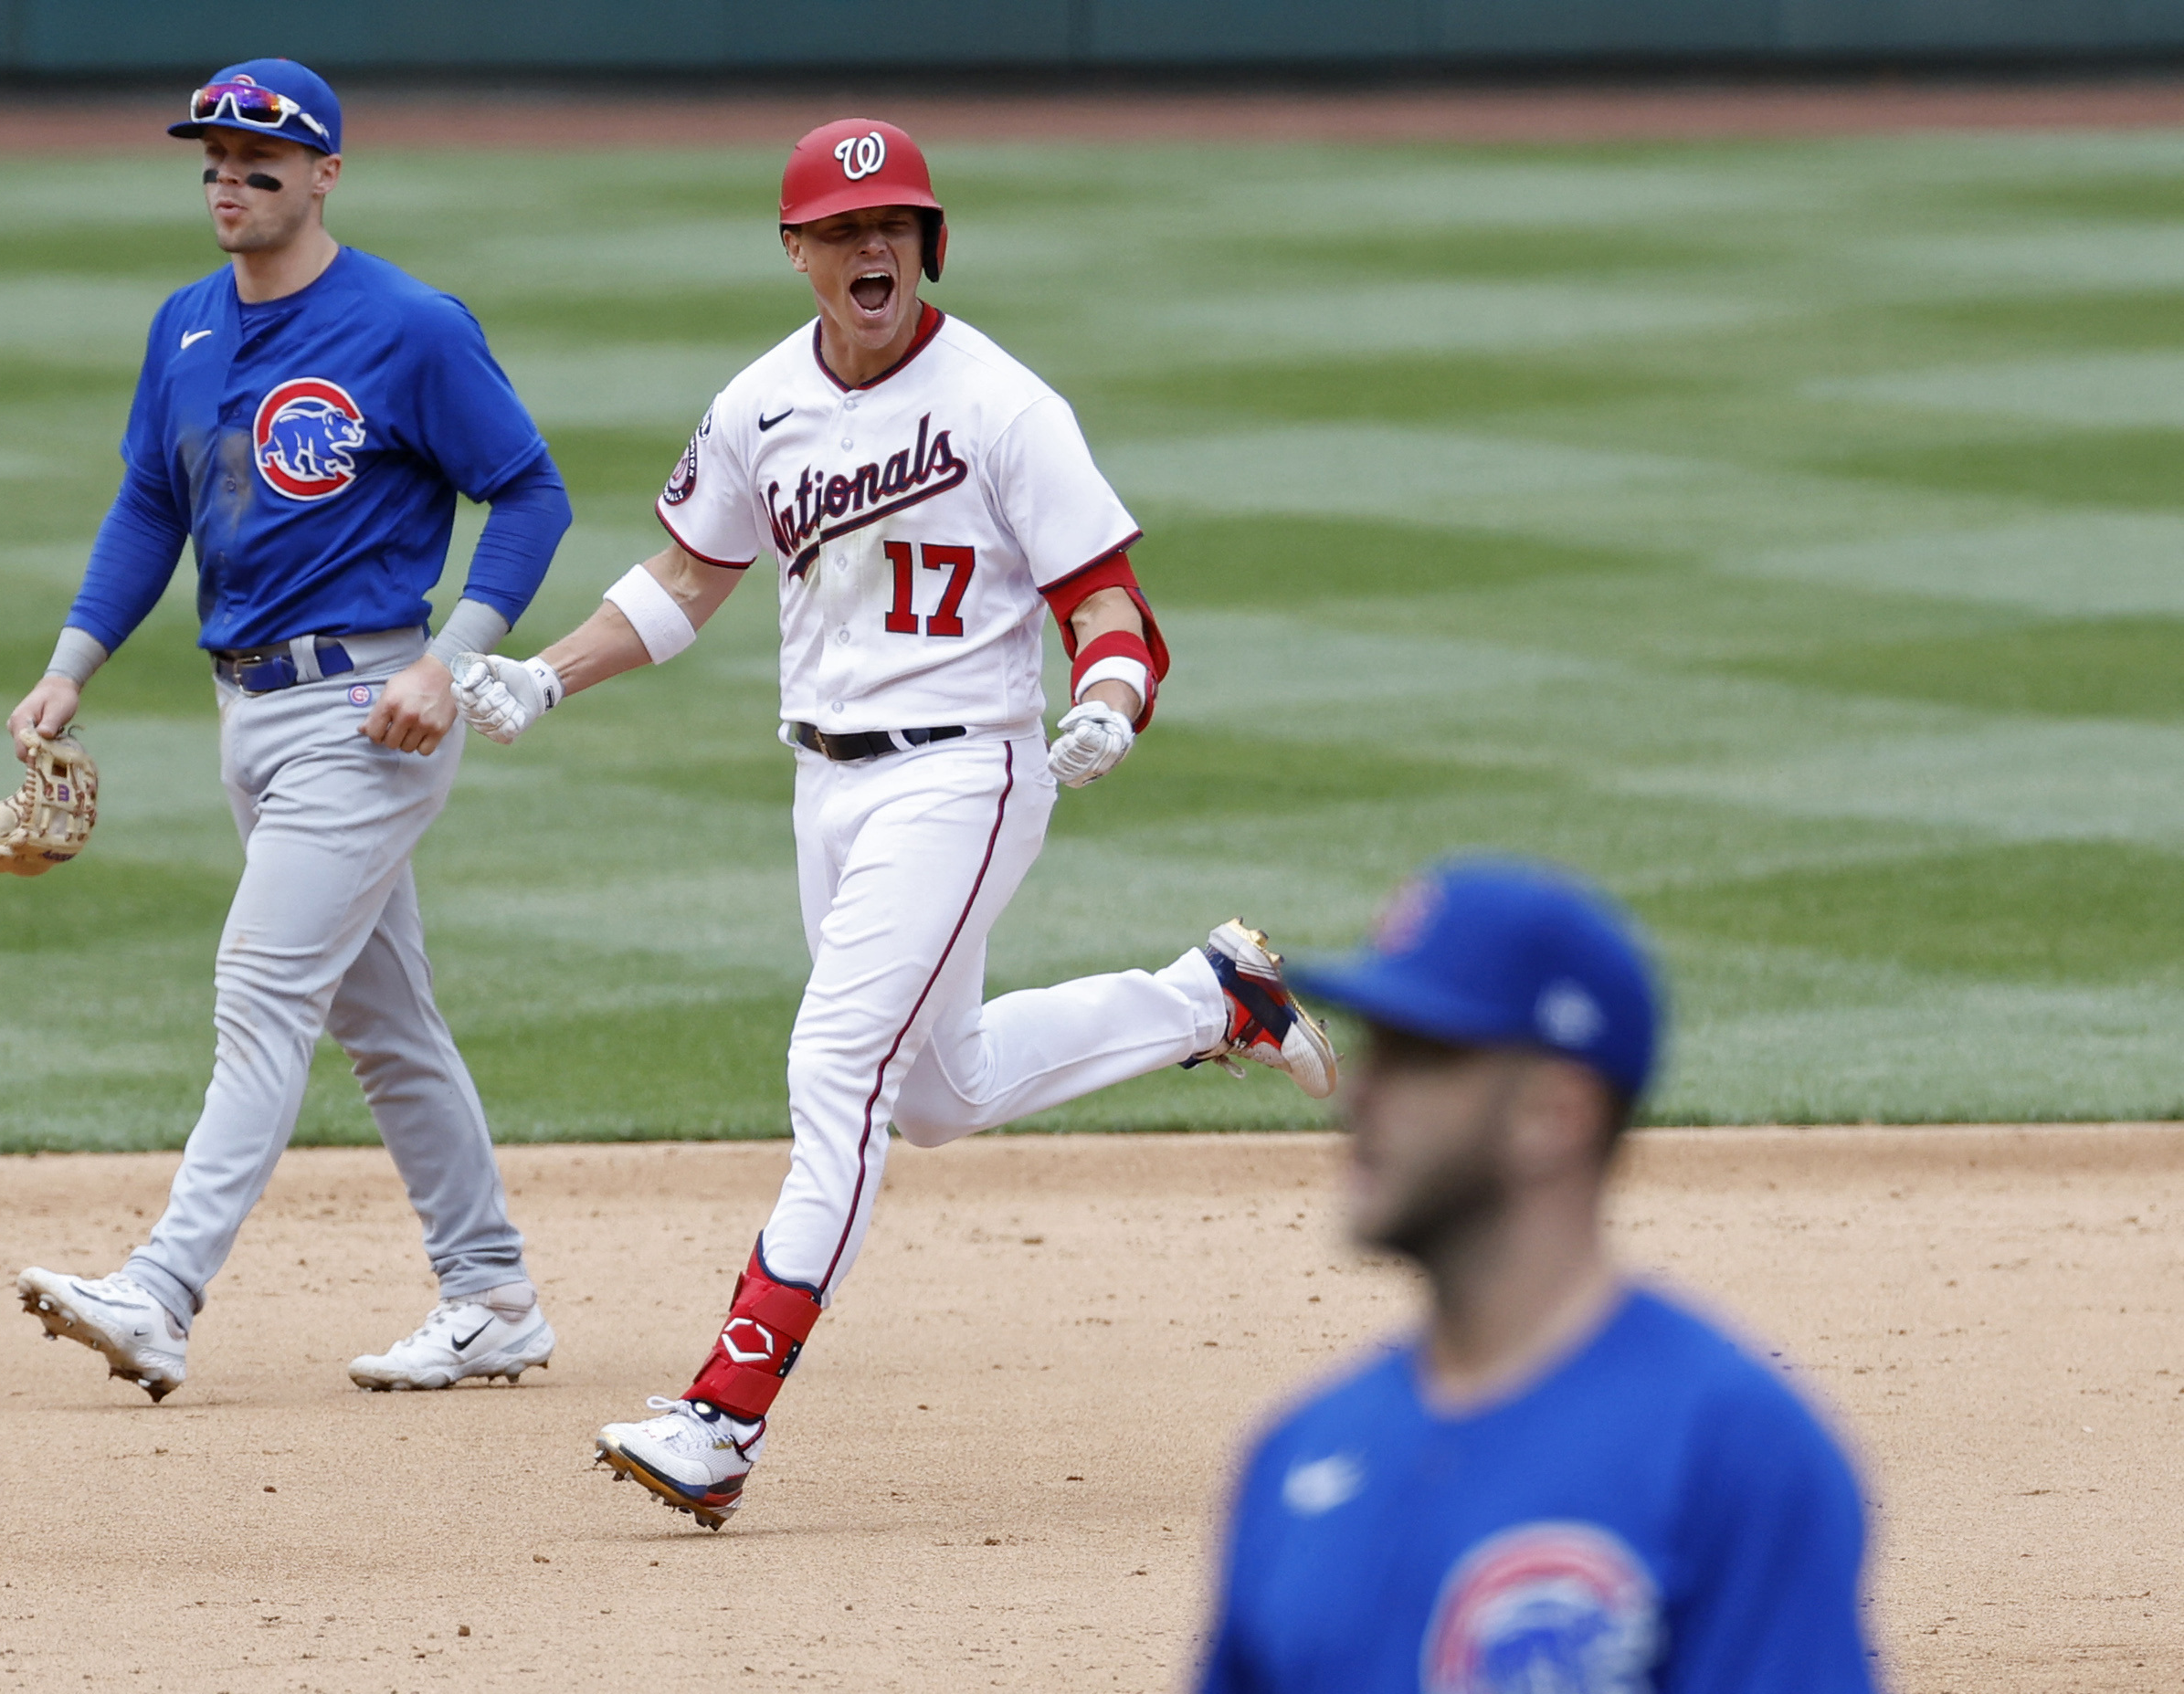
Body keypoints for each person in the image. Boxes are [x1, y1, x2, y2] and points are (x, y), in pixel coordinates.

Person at [446, 118, 1339, 1528]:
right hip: (828, 785)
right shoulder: (756, 405)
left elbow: (1104, 597)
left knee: (837, 1072)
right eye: (844, 231)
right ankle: (1207, 996)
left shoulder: (1002, 403)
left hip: (964, 773)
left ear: (929, 243)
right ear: (797, 250)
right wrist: (544, 675)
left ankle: (718, 1416)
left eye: (897, 228)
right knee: (936, 1091)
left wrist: (1109, 692)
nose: (875, 251)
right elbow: (687, 574)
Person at [8, 59, 568, 1402]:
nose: (231, 180)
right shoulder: (186, 327)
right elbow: (152, 505)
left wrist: (453, 660)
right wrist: (69, 665)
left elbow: (530, 492)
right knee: (387, 1023)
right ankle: (490, 1291)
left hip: (367, 715)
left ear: (324, 175)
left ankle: (162, 1286)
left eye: (263, 161)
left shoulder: (409, 326)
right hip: (245, 713)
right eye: (213, 159)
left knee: (259, 991)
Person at [1198, 858, 1880, 1693]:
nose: (1362, 1094)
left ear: (1554, 1113)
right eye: (1375, 1049)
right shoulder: (1297, 1453)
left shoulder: (1728, 1450)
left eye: (1421, 1056)